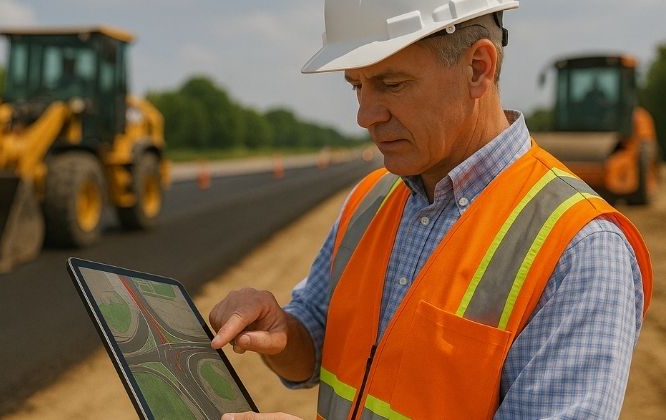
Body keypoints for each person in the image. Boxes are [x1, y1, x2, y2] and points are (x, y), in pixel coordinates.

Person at [209, 1, 652, 419]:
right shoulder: (370, 200)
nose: (365, 115)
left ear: (478, 68)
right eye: (357, 86)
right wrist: (282, 331)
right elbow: (315, 345)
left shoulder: (581, 249)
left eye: (391, 84)